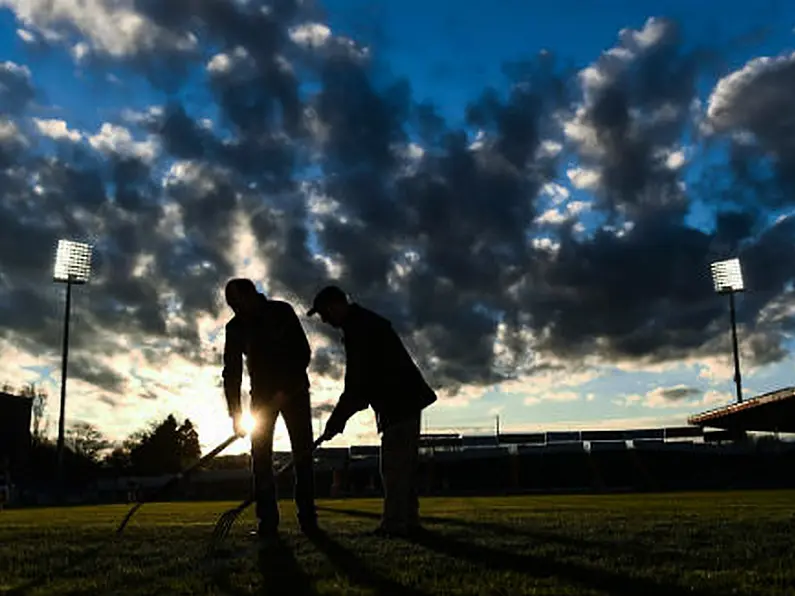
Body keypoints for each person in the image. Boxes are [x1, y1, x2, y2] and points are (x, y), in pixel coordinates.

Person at [307, 285, 437, 537]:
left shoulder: (360, 329)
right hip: (400, 401)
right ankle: (408, 521)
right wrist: (339, 419)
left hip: (400, 401)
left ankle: (396, 524)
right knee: (401, 467)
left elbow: (357, 387)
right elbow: (359, 388)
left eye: (324, 313)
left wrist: (336, 421)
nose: (324, 320)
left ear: (336, 305)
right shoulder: (360, 324)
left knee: (395, 467)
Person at [222, 278, 319, 541]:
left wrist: (284, 392)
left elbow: (302, 353)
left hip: (295, 392)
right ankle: (267, 521)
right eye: (231, 305)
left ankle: (308, 519)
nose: (235, 309)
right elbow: (232, 373)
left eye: (237, 303)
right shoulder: (235, 328)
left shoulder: (281, 311)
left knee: (303, 455)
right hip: (260, 399)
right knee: (260, 457)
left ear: (252, 294)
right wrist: (236, 414)